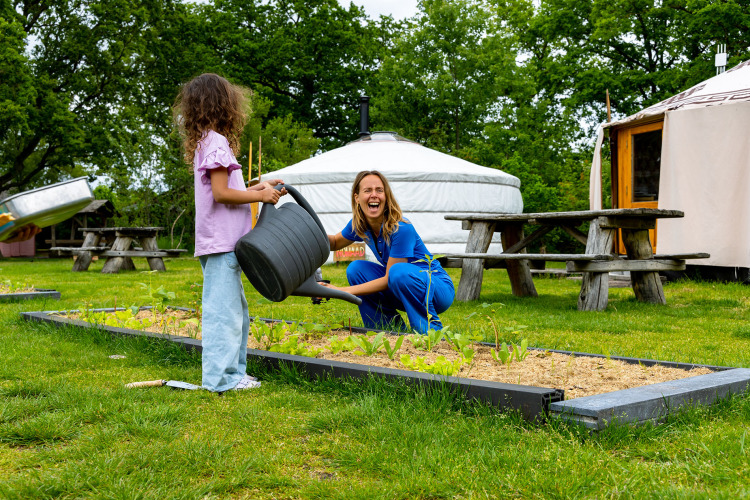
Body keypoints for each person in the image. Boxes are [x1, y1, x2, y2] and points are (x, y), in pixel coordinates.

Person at [174, 73, 286, 392]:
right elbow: (222, 194)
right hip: (222, 243)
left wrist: (258, 186)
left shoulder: (206, 141)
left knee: (235, 312)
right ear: (223, 105)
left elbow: (227, 188)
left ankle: (234, 374)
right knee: (223, 315)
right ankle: (220, 380)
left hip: (222, 243)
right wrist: (261, 196)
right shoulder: (217, 142)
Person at [326, 170, 455, 334]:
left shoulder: (401, 228)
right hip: (401, 284)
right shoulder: (360, 224)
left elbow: (390, 277)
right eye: (368, 190)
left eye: (379, 190)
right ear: (357, 198)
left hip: (436, 289)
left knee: (398, 271)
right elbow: (335, 242)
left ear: (386, 196)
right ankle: (387, 329)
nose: (374, 195)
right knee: (356, 269)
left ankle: (430, 333)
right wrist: (306, 231)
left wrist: (343, 291)